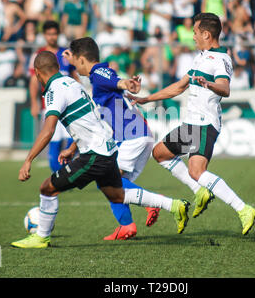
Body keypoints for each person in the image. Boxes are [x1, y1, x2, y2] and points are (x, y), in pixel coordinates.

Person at [10, 51, 190, 248]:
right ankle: (174, 205)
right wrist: (72, 147)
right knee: (117, 194)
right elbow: (93, 119)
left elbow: (48, 129)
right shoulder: (72, 83)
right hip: (108, 149)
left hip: (94, 155)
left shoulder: (55, 90)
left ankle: (41, 237)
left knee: (47, 188)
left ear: (37, 73)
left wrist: (28, 160)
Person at [128, 13, 255, 236]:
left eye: (196, 32)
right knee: (159, 153)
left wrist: (208, 84)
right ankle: (200, 191)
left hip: (205, 124)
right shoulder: (201, 57)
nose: (193, 36)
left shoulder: (220, 59)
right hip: (191, 123)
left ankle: (243, 209)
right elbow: (179, 87)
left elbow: (225, 89)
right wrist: (147, 99)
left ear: (207, 34)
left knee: (197, 171)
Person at [64, 37, 163, 240]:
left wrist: (127, 83)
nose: (74, 67)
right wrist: (74, 146)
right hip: (137, 134)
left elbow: (116, 81)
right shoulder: (96, 76)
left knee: (108, 182)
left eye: (74, 61)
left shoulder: (98, 73)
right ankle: (127, 227)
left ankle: (151, 203)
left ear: (82, 60)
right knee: (113, 184)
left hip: (131, 135)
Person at [28, 20, 80, 173]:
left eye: (55, 33)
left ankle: (64, 174)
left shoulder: (65, 53)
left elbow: (73, 76)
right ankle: (58, 174)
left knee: (74, 140)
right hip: (51, 105)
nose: (52, 37)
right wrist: (34, 102)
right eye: (49, 34)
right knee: (54, 141)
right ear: (44, 35)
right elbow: (33, 80)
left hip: (69, 107)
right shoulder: (39, 55)